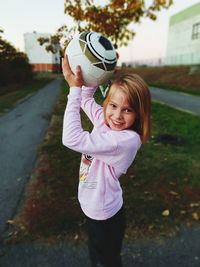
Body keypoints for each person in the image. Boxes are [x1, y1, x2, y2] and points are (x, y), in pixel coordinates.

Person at [62, 55, 151, 267]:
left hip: (105, 216)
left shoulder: (125, 140)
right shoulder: (107, 121)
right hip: (92, 207)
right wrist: (96, 72)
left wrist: (74, 89)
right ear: (107, 104)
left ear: (139, 114)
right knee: (95, 254)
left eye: (128, 109)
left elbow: (71, 138)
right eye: (113, 105)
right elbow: (85, 100)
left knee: (108, 260)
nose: (117, 116)